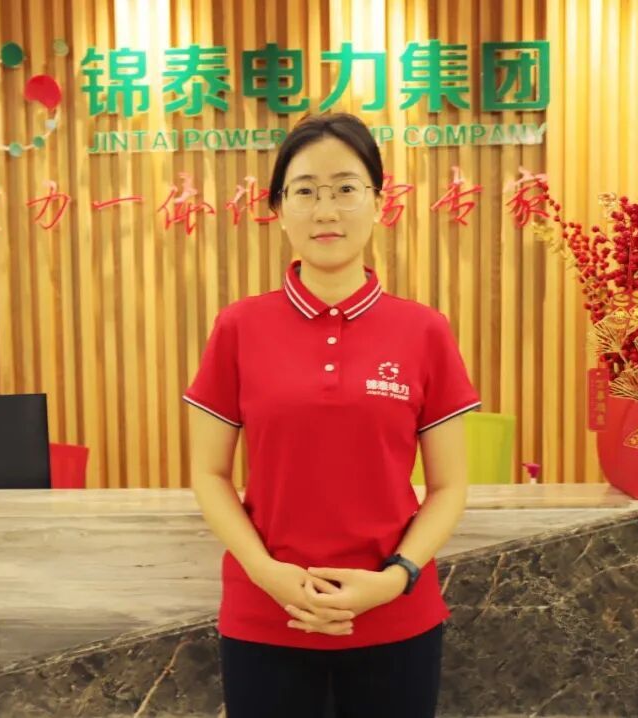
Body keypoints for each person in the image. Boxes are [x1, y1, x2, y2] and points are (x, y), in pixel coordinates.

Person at [184, 112, 481, 718]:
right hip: (267, 616)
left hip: (394, 616)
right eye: (305, 191)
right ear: (278, 208)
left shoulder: (424, 330)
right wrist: (268, 574)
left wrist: (396, 577)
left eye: (346, 188)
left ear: (378, 203)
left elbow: (449, 486)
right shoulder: (239, 327)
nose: (326, 211)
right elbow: (209, 474)